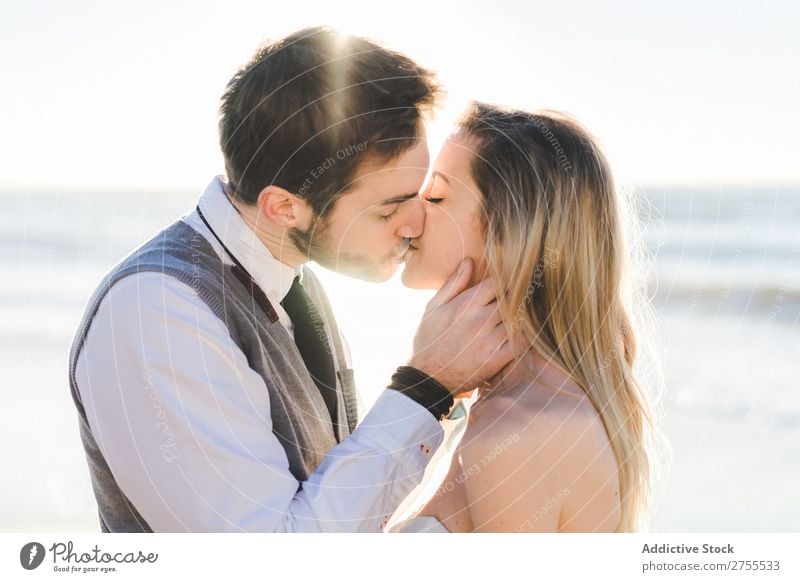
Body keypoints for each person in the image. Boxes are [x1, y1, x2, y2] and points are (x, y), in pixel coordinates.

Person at [68, 28, 512, 532]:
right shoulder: (157, 314)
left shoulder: (297, 285)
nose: (416, 226)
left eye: (422, 195)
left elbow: (348, 515)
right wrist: (425, 386)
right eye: (390, 209)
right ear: (284, 207)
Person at [393, 102, 654, 532]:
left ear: (508, 234)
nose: (411, 213)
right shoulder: (518, 405)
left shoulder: (513, 433)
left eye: (435, 196)